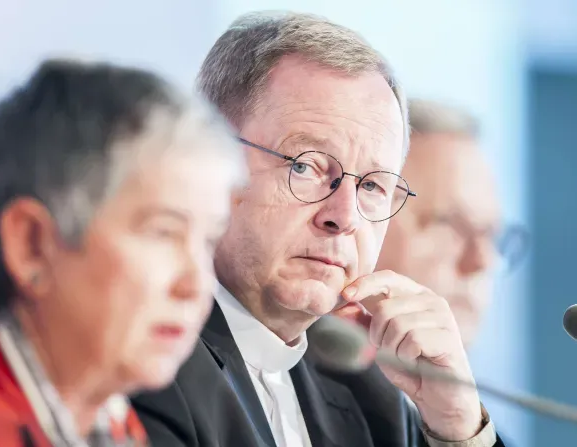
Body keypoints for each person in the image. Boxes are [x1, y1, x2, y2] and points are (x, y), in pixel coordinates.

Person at [132, 11, 505, 447]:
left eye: (371, 185)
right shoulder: (138, 360)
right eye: (306, 165)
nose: (343, 217)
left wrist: (456, 426)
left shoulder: (368, 390)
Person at [0, 59, 246, 446]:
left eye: (207, 241)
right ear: (32, 246)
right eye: (163, 233)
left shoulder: (112, 421)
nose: (197, 284)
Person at [310, 99, 528, 445]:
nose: (482, 261)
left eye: (490, 235)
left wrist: (460, 433)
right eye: (450, 224)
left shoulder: (471, 425)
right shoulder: (278, 388)